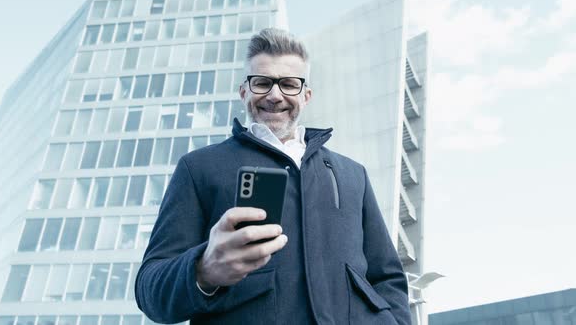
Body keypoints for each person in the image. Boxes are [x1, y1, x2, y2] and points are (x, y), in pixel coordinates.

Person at [135, 28, 412, 325]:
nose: (275, 95)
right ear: (244, 92)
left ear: (306, 96)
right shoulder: (198, 167)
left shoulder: (352, 174)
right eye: (262, 82)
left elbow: (388, 277)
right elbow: (150, 290)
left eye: (289, 84)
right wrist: (204, 269)